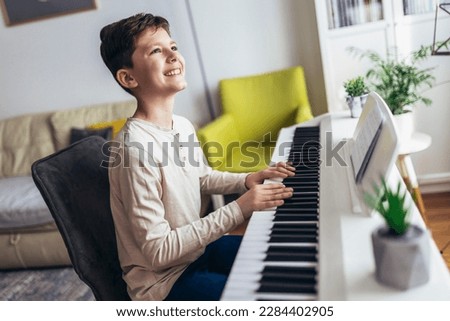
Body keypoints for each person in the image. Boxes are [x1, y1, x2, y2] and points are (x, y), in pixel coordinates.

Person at [100, 13, 295, 300]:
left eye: (174, 47)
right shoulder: (134, 151)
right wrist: (240, 208)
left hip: (195, 254)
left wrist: (247, 180)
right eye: (156, 50)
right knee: (263, 299)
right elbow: (158, 251)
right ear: (128, 77)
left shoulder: (181, 125)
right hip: (164, 284)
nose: (173, 56)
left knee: (282, 260)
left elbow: (201, 177)